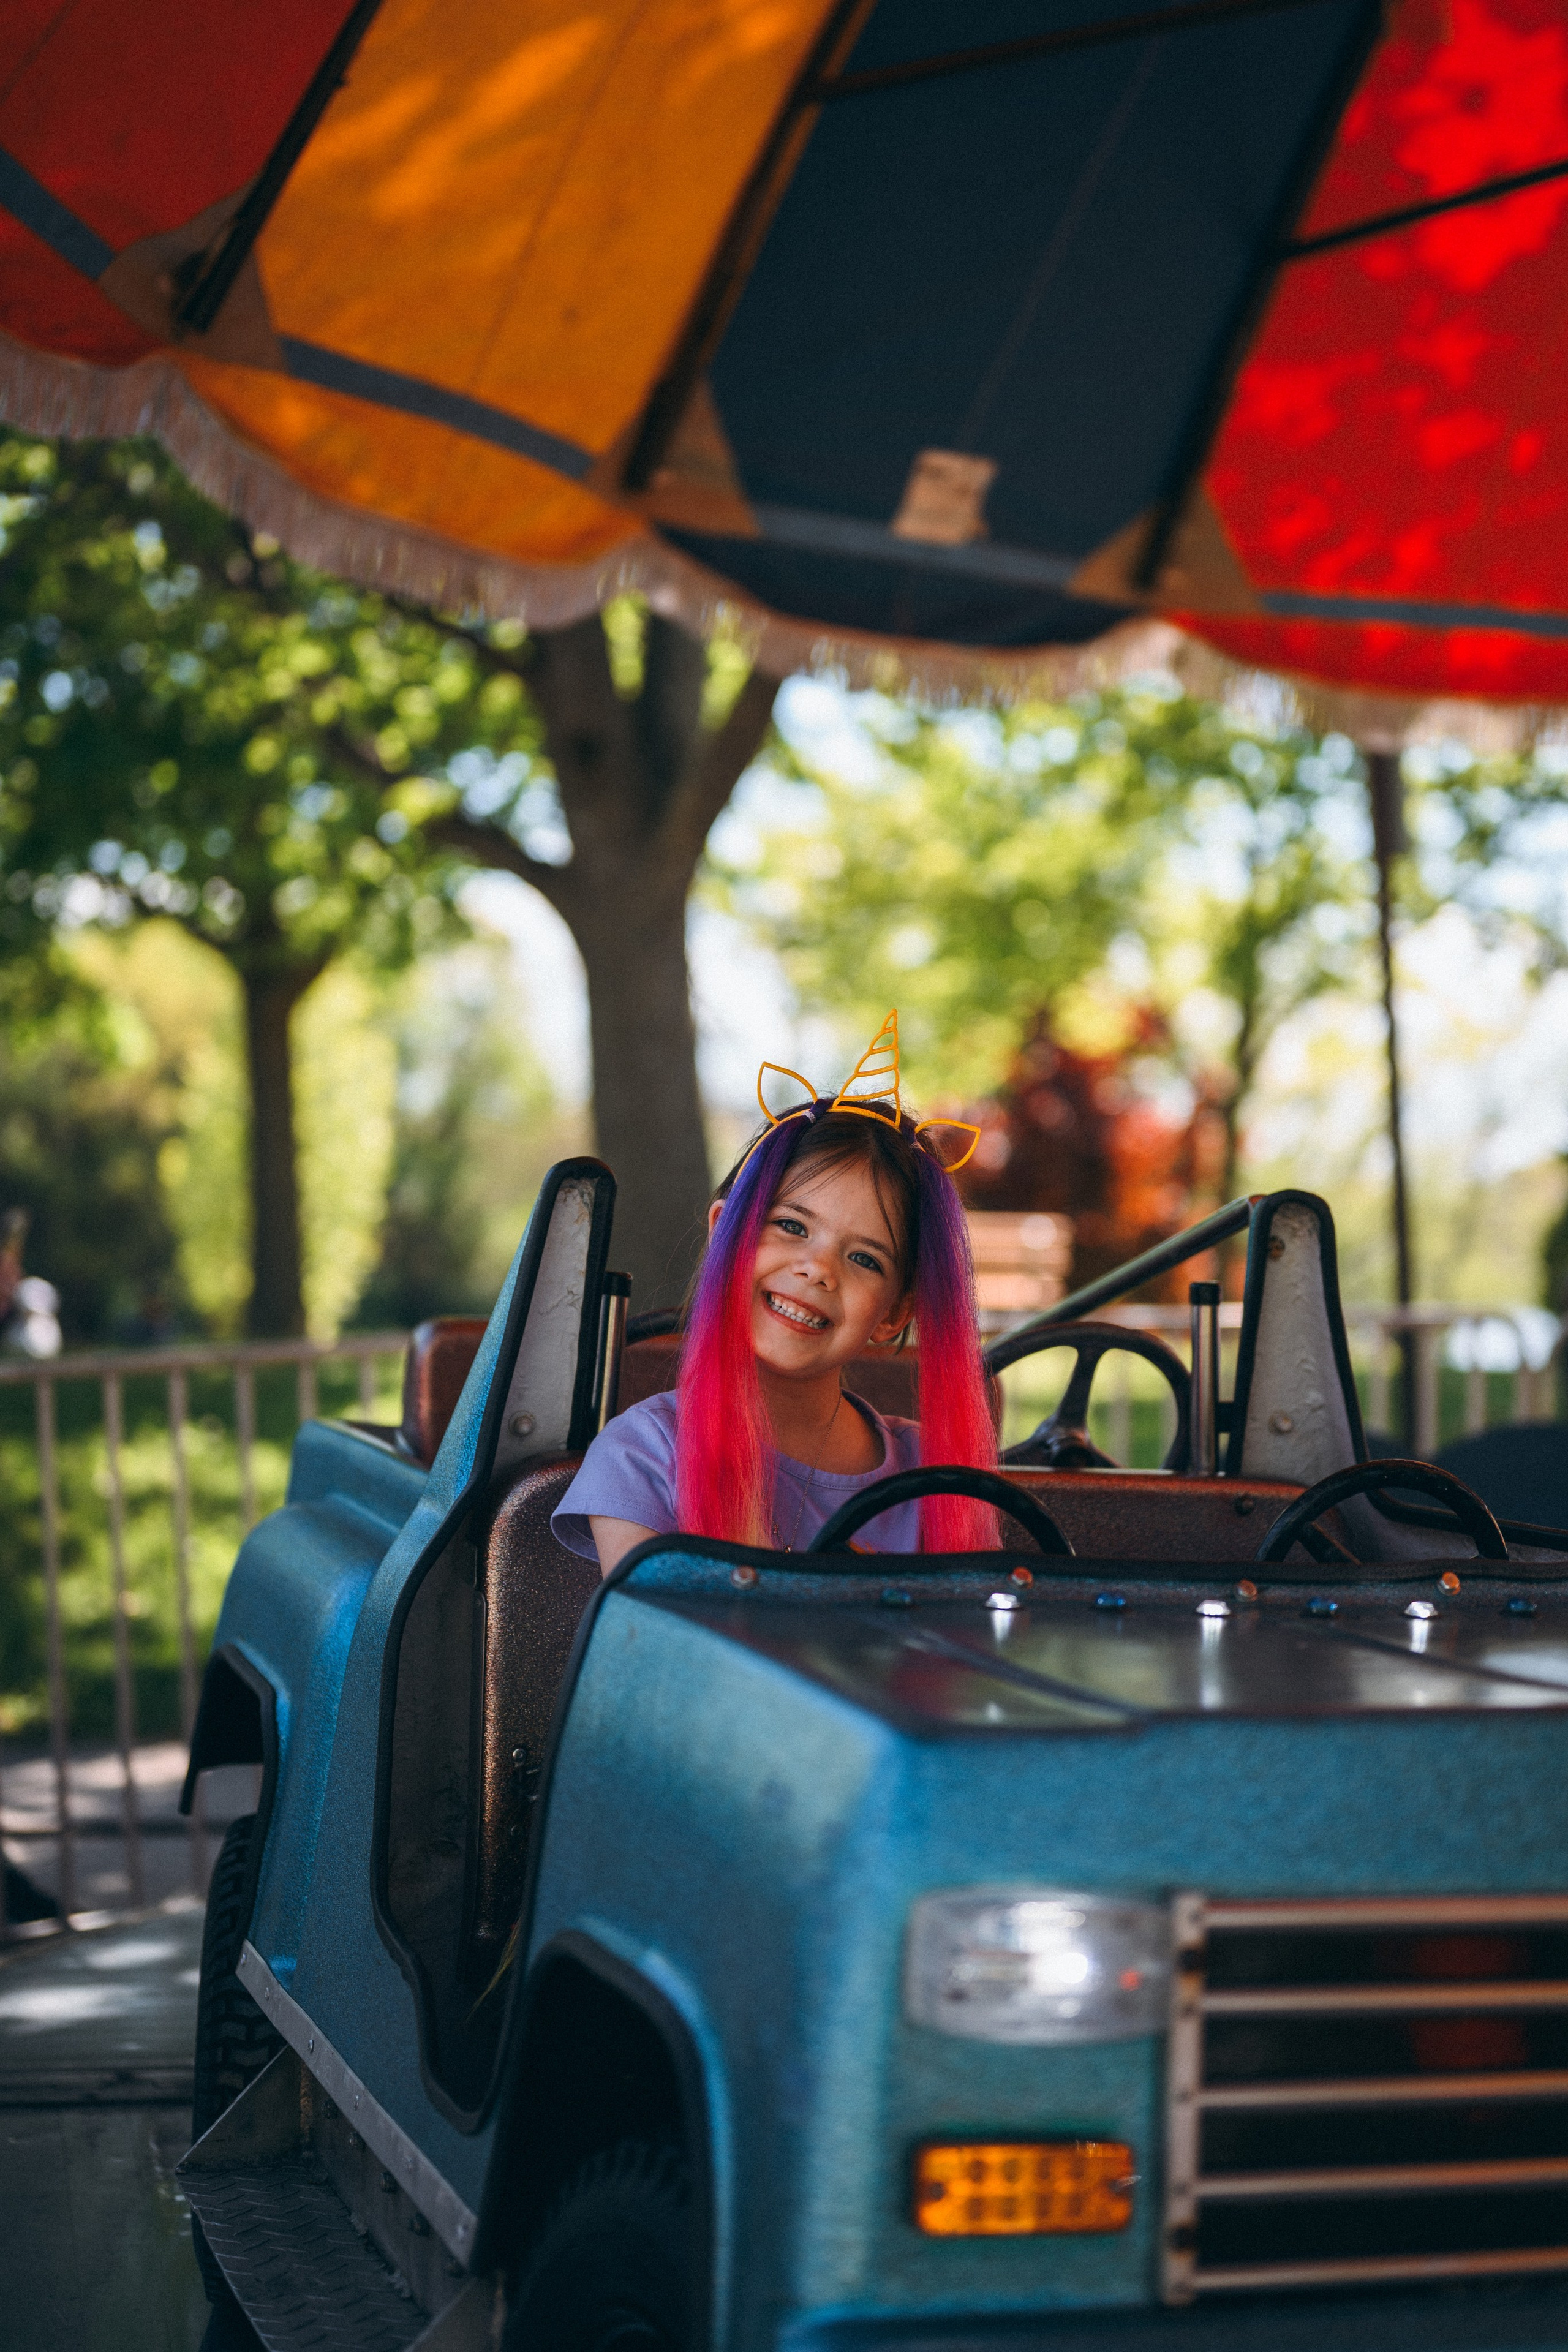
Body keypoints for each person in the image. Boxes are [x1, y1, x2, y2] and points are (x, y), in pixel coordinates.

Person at [551, 1012, 1000, 1574]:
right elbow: (661, 1651)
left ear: (894, 1315)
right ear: (725, 1235)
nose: (817, 1270)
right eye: (792, 1226)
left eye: (864, 1259)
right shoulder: (644, 1455)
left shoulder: (936, 1473)